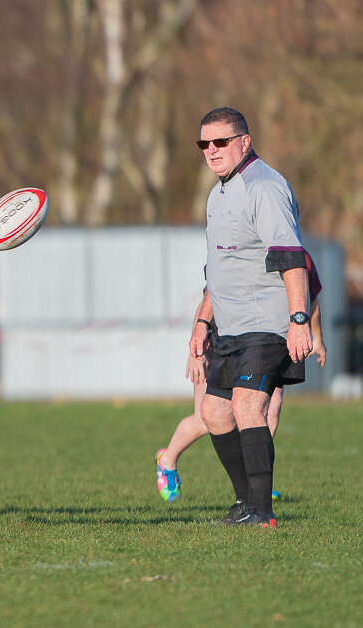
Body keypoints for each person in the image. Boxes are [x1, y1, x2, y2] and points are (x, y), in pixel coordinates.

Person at [189, 107, 308, 528]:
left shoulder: (265, 187)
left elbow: (292, 259)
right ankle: (245, 502)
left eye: (220, 141)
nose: (211, 150)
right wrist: (202, 323)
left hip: (268, 324)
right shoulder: (217, 194)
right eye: (204, 143)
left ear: (244, 141)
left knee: (247, 405)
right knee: (215, 413)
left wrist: (298, 319)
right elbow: (217, 271)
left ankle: (262, 512)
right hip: (229, 328)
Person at [156, 257, 325, 503]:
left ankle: (256, 486)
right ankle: (167, 461)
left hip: (266, 345)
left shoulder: (300, 256)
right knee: (207, 418)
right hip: (221, 345)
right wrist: (196, 353)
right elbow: (208, 300)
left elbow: (311, 299)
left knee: (269, 410)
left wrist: (317, 338)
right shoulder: (242, 249)